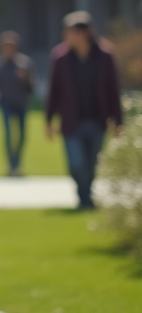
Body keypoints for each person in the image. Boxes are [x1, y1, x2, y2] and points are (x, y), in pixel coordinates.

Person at [44, 11, 124, 210]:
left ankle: (86, 198)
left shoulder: (105, 56)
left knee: (91, 163)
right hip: (72, 121)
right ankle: (83, 195)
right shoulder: (60, 58)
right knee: (76, 163)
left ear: (83, 33)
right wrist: (48, 120)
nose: (66, 36)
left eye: (69, 31)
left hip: (97, 120)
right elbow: (53, 91)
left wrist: (118, 122)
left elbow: (113, 89)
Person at [0, 31, 36, 176]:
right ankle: (11, 164)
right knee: (8, 134)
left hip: (21, 103)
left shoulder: (25, 64)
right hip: (5, 104)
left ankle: (18, 162)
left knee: (22, 135)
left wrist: (25, 78)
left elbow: (32, 87)